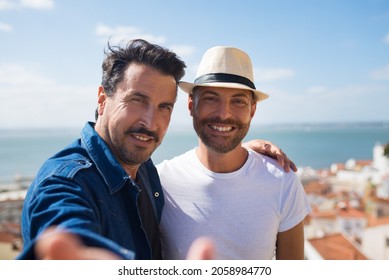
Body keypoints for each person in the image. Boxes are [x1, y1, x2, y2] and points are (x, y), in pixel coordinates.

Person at [17, 39, 295, 260]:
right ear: (103, 99)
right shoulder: (65, 181)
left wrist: (239, 149)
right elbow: (64, 231)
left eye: (164, 107)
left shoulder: (146, 170)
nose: (150, 122)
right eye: (137, 100)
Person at [158, 46, 311, 260]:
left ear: (253, 110)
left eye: (238, 101)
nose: (224, 114)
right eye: (211, 98)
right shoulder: (160, 181)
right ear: (191, 104)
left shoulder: (282, 181)